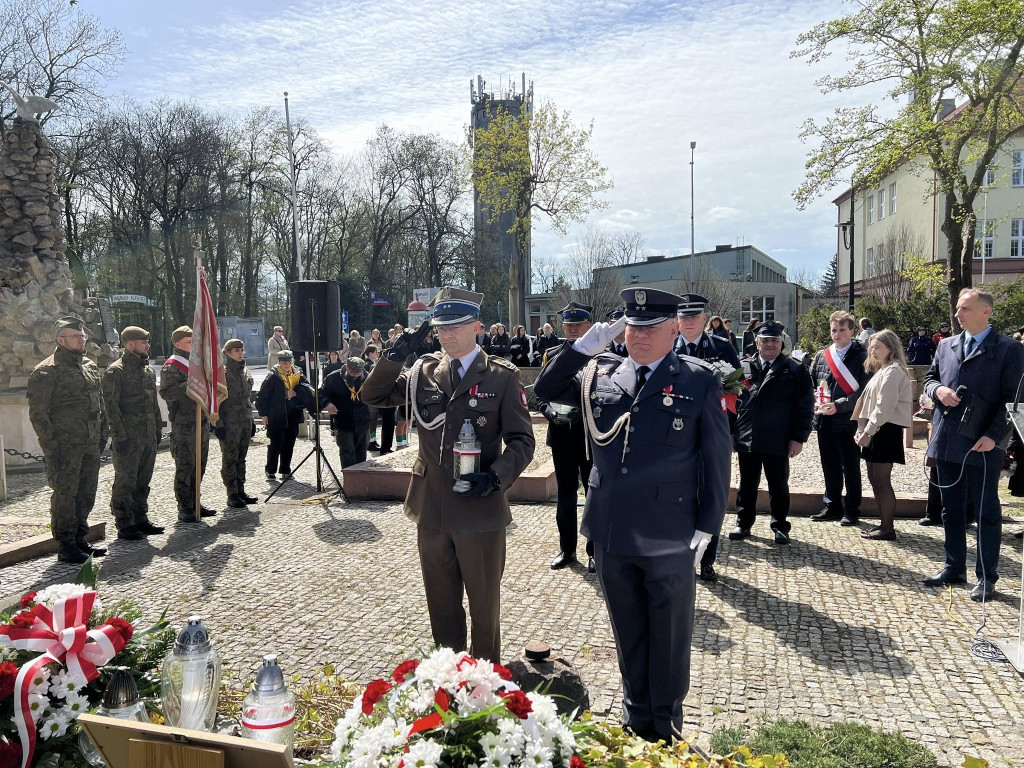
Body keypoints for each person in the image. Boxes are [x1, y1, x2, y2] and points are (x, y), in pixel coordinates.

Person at [534, 286, 731, 743]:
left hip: (670, 529)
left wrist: (708, 525)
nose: (639, 336)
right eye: (632, 327)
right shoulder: (599, 373)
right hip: (611, 527)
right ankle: (635, 716)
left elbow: (716, 459)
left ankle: (666, 722)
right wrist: (581, 349)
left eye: (650, 328)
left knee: (669, 633)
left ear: (673, 329)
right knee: (627, 628)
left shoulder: (698, 380)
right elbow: (543, 390)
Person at [361, 287, 535, 664]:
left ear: (477, 327)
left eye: (455, 326)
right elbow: (371, 396)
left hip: (479, 509)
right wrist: (392, 358)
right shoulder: (422, 372)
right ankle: (447, 679)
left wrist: (495, 477)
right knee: (441, 607)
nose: (446, 335)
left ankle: (484, 682)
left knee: (484, 610)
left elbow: (523, 442)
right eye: (441, 327)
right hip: (433, 509)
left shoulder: (502, 377)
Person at [922, 288, 1024, 600]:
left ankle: (987, 577)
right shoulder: (947, 345)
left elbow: (1014, 399)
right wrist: (938, 391)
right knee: (951, 509)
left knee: (985, 511)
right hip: (948, 440)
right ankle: (954, 567)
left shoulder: (1008, 349)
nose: (957, 314)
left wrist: (994, 435)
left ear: (986, 312)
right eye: (957, 308)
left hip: (983, 443)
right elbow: (929, 378)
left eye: (965, 308)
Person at [27, 316, 109, 564]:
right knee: (66, 494)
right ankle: (66, 544)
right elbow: (39, 414)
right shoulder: (47, 370)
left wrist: (103, 432)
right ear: (61, 340)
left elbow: (99, 403)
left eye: (83, 336)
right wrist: (51, 448)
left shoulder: (89, 365)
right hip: (65, 445)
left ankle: (80, 537)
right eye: (76, 336)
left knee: (87, 491)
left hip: (90, 441)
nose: (82, 340)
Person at [672, 294, 740, 581]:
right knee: (677, 495)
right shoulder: (667, 346)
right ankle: (679, 555)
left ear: (704, 319)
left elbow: (739, 386)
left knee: (711, 494)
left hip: (712, 432)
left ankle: (707, 559)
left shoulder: (721, 348)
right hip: (676, 434)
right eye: (683, 317)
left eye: (694, 317)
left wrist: (728, 430)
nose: (688, 322)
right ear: (677, 321)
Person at [729, 322, 814, 544]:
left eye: (774, 340)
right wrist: (730, 432)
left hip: (779, 436)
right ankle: (743, 523)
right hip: (748, 435)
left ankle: (780, 526)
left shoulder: (795, 369)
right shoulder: (742, 367)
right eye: (765, 340)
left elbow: (805, 406)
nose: (770, 344)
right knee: (747, 484)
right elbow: (730, 403)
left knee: (778, 485)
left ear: (781, 343)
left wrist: (798, 437)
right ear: (757, 344)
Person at [536, 302, 596, 572]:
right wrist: (548, 412)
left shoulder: (600, 356)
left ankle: (595, 551)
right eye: (569, 325)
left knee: (594, 495)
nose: (573, 329)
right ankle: (567, 550)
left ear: (588, 327)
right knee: (566, 495)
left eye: (578, 325)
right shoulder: (552, 355)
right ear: (562, 327)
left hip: (592, 437)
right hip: (562, 435)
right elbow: (540, 393)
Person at [101, 326, 165, 540]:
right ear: (130, 344)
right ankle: (124, 522)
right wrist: (119, 436)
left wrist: (157, 428)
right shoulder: (116, 371)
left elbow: (153, 403)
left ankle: (140, 517)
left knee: (143, 479)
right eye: (143, 342)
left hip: (147, 434)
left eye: (147, 342)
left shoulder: (147, 370)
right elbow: (111, 407)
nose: (148, 346)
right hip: (128, 436)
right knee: (126, 480)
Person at [810, 311, 870, 526]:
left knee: (850, 467)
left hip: (848, 421)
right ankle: (832, 505)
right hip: (825, 420)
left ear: (852, 331)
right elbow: (812, 383)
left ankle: (852, 510)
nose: (837, 334)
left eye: (842, 330)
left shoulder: (863, 357)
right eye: (834, 330)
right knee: (829, 466)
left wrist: (839, 405)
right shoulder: (822, 355)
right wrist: (815, 400)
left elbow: (865, 392)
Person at [852, 330, 913, 541]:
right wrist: (861, 429)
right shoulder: (884, 370)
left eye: (878, 347)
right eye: (872, 347)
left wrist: (868, 431)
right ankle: (883, 525)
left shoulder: (893, 371)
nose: (873, 351)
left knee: (881, 480)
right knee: (874, 478)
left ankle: (887, 528)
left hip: (884, 429)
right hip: (877, 428)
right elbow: (867, 403)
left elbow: (883, 407)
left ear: (891, 348)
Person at [159, 326, 217, 523]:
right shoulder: (172, 366)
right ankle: (184, 506)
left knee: (200, 465)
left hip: (201, 421)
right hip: (184, 424)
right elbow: (167, 393)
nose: (194, 345)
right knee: (186, 466)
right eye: (189, 342)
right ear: (177, 344)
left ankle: (195, 501)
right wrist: (191, 383)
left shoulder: (198, 363)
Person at [256, 349, 314, 480]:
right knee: (276, 443)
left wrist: (297, 393)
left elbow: (307, 388)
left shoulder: (298, 372)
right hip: (276, 414)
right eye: (284, 363)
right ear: (279, 362)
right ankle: (270, 469)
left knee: (289, 443)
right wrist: (264, 414)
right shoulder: (273, 376)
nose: (287, 365)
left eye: (289, 362)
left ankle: (285, 469)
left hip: (293, 413)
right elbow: (262, 397)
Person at [214, 339, 258, 508]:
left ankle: (241, 490)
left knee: (241, 457)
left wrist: (251, 420)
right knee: (230, 458)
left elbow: (247, 399)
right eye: (236, 350)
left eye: (241, 350)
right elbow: (216, 400)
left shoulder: (244, 370)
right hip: (229, 421)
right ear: (227, 353)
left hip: (244, 419)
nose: (240, 353)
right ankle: (232, 493)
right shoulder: (222, 372)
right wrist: (218, 424)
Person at [320, 356, 372, 467]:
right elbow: (321, 394)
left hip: (363, 421)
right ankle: (349, 476)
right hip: (343, 421)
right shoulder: (333, 378)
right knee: (347, 452)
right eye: (353, 373)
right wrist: (327, 404)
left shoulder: (368, 377)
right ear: (347, 368)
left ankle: (359, 476)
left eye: (359, 373)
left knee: (362, 452)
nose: (356, 376)